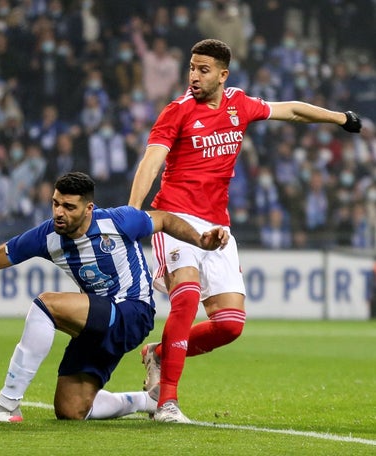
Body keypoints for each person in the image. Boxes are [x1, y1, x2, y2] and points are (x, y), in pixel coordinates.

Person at [127, 38, 363, 423]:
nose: (194, 77)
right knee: (185, 297)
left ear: (223, 74)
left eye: (203, 70)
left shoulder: (240, 104)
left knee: (230, 325)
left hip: (217, 226)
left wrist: (339, 118)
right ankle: (166, 402)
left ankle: (159, 353)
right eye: (191, 68)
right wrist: (132, 213)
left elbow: (293, 111)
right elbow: (152, 160)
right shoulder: (178, 111)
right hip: (174, 219)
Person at [0, 172, 227, 422]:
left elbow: (164, 219)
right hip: (99, 320)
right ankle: (147, 400)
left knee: (45, 305)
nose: (59, 213)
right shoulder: (48, 235)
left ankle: (6, 405)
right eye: (56, 204)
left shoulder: (117, 220)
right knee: (72, 409)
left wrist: (200, 240)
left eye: (69, 207)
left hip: (132, 311)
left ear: (89, 208)